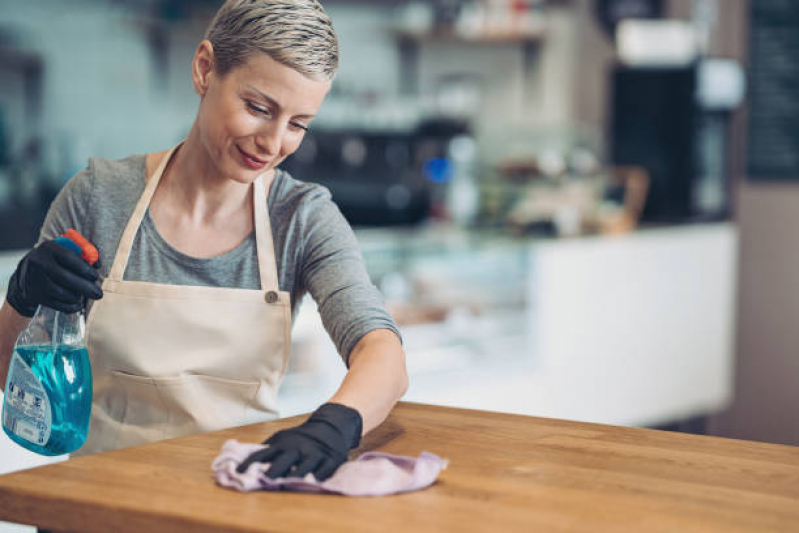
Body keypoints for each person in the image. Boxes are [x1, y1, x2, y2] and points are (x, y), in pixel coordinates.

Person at [0, 0, 407, 482]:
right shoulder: (98, 198)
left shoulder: (301, 218)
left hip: (227, 504)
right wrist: (22, 299)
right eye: (258, 108)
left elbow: (382, 351)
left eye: (298, 124)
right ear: (205, 69)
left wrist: (338, 422)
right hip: (96, 504)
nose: (274, 143)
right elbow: (12, 371)